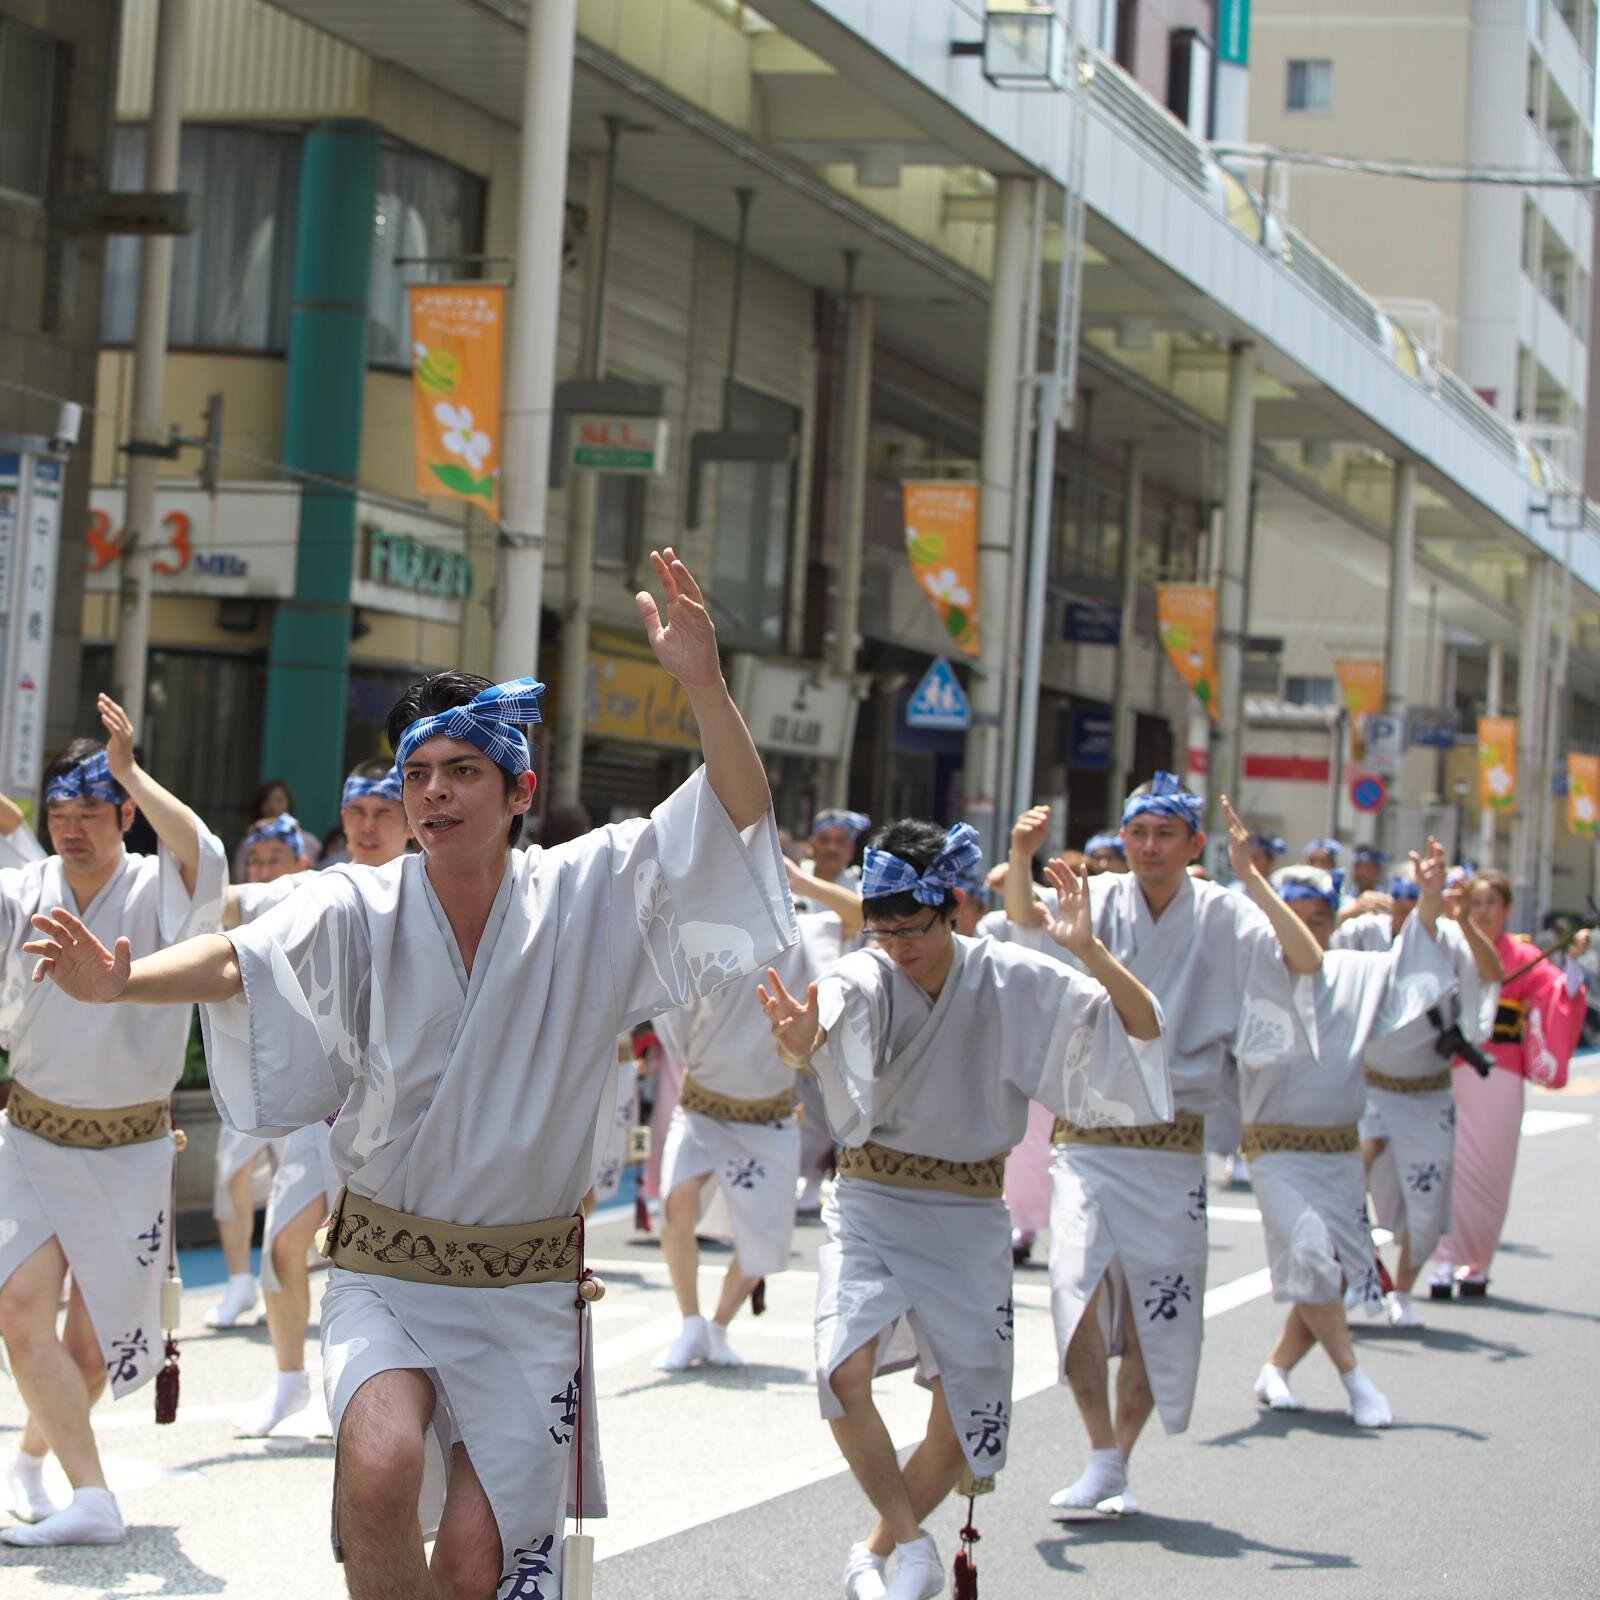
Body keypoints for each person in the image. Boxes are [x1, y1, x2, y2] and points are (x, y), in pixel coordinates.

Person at [24, 549, 797, 1598]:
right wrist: (125, 981)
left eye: (462, 772)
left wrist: (704, 683)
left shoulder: (592, 888)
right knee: (378, 1465)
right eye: (416, 774)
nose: (433, 794)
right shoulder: (362, 903)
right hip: (387, 1263)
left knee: (475, 1562)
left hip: (527, 1282)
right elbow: (244, 955)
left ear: (519, 788)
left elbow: (733, 813)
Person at [761, 820, 1165, 1600]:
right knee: (841, 1371)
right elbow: (828, 1017)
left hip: (972, 1210)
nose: (898, 944)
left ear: (952, 908)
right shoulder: (868, 973)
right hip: (873, 1198)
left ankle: (876, 1552)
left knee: (962, 1425)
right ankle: (913, 1545)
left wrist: (1087, 949)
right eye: (882, 928)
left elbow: (1142, 1030)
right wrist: (800, 1040)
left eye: (912, 927)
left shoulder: (1015, 977)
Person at [1003, 780, 1316, 1517]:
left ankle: (1121, 1455)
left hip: (1172, 1150)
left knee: (1157, 1310)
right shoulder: (1101, 896)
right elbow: (1023, 926)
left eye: (1165, 834)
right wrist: (1020, 856)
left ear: (1194, 844)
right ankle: (1099, 1451)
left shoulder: (1226, 912)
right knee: (1070, 1292)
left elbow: (1305, 962)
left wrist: (1256, 879)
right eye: (1138, 830)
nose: (1149, 845)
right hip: (1088, 1137)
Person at [0, 696, 226, 1546]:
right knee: (20, 1313)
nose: (72, 829)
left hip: (129, 1149)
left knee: (93, 1353)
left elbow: (208, 856)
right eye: (60, 814)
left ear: (124, 814)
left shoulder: (157, 888)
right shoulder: (20, 890)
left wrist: (131, 766)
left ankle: (33, 1455)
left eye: (92, 811)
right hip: (28, 1137)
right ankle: (93, 1499)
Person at [1235, 840, 1456, 1425]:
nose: (1306, 929)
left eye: (1318, 919)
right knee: (1310, 1251)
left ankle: (1277, 1367)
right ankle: (1356, 1379)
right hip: (1272, 1149)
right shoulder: (1250, 973)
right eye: (1294, 918)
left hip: (1336, 1150)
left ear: (1335, 922)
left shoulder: (1356, 972)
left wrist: (1429, 899)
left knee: (1323, 1269)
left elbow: (1414, 966)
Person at [234, 759, 413, 1439]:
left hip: (398, 1121)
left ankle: (363, 1391)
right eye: (357, 813)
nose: (368, 827)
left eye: (384, 813)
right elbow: (225, 903)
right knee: (283, 1245)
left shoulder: (433, 891)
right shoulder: (311, 890)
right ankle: (287, 1384)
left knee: (371, 1265)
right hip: (321, 1108)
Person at [651, 908, 851, 1373]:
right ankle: (690, 1322)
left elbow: (832, 986)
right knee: (676, 1202)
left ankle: (718, 1325)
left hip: (770, 1111)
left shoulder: (811, 928)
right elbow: (671, 999)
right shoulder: (703, 926)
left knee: (762, 1236)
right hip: (702, 1103)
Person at [1331, 865, 1502, 1327]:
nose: (1409, 904)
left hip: (1427, 1094)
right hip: (1369, 1087)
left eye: (1420, 895)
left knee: (1426, 1205)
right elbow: (1316, 958)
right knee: (1348, 1175)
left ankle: (1403, 1291)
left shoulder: (1450, 935)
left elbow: (1491, 973)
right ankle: (1358, 1269)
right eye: (1404, 893)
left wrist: (1465, 918)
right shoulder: (1364, 931)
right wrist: (1345, 907)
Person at [1430, 871, 1589, 1298]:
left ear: (1507, 909)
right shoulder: (1451, 946)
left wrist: (1572, 961)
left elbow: (1560, 993)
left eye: (1490, 904)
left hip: (1500, 1069)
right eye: (1476, 903)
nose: (1482, 912)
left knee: (1490, 1170)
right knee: (1446, 1164)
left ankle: (1478, 1262)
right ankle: (1442, 1258)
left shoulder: (1524, 955)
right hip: (1449, 1067)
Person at [206, 812, 314, 1331]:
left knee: (306, 1195)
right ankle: (237, 1282)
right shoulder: (241, 909)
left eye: (276, 859)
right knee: (233, 1177)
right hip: (246, 1068)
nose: (264, 868)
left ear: (301, 863)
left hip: (306, 1076)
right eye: (257, 859)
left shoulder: (318, 899)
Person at [792, 810, 871, 1217]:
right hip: (787, 1000)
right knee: (795, 1095)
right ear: (813, 842)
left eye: (842, 842)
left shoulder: (856, 887)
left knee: (838, 1095)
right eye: (827, 840)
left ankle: (833, 1176)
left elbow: (858, 920)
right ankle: (800, 1174)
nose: (833, 849)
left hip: (841, 1008)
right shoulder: (788, 878)